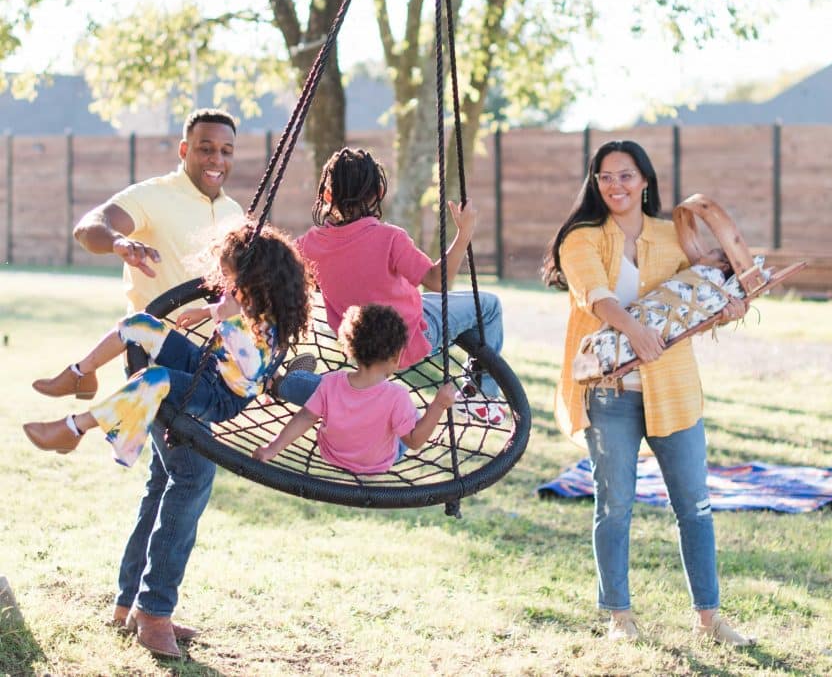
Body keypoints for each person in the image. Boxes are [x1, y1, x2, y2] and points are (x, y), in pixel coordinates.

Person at [24, 222, 311, 650]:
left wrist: (224, 317)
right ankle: (80, 374)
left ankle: (74, 428)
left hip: (215, 395)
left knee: (158, 395)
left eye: (234, 281)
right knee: (141, 324)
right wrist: (213, 314)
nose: (227, 287)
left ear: (258, 284)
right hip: (205, 370)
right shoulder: (246, 309)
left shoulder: (268, 327)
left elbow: (246, 375)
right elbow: (221, 332)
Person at [542, 139, 756, 646]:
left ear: (645, 181)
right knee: (614, 507)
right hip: (609, 392)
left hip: (674, 388)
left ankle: (710, 619)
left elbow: (695, 302)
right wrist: (634, 331)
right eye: (606, 177)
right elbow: (596, 296)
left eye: (626, 175)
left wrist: (729, 308)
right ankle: (620, 617)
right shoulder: (581, 238)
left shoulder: (672, 235)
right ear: (595, 184)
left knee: (696, 506)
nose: (616, 185)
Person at [60, 109, 244, 657]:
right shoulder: (152, 195)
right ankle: (154, 613)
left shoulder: (233, 210)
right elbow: (90, 226)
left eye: (226, 151)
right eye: (206, 148)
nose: (216, 160)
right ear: (185, 149)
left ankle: (129, 604)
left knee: (166, 483)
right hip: (155, 360)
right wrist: (119, 243)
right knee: (190, 480)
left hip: (210, 365)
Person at [279, 146, 506, 425]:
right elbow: (437, 281)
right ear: (378, 194)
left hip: (359, 349)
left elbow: (292, 279)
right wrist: (463, 235)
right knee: (489, 306)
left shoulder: (308, 246)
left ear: (326, 195)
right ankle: (480, 395)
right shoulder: (389, 238)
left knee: (345, 392)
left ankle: (288, 384)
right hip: (408, 339)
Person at [253, 304, 456, 472]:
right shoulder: (398, 396)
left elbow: (305, 417)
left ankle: (285, 381)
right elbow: (413, 441)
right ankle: (290, 380)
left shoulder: (331, 382)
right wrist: (438, 405)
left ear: (351, 349)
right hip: (378, 462)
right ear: (395, 357)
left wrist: (272, 449)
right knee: (415, 418)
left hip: (332, 454)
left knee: (313, 390)